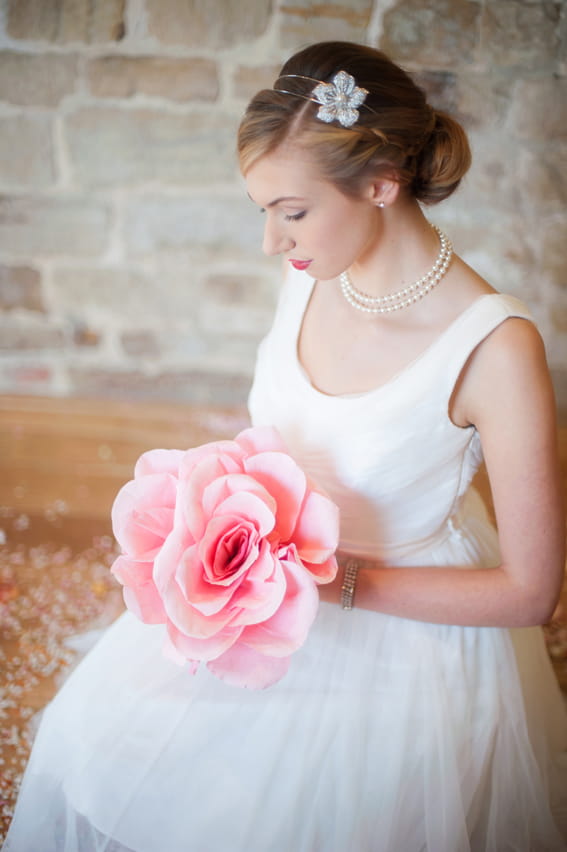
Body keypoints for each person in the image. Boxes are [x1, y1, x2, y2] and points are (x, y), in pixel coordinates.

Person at [4, 40, 567, 852]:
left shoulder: (493, 347)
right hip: (258, 592)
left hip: (400, 622)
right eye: (261, 210)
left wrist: (340, 585)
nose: (271, 242)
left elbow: (530, 594)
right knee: (90, 749)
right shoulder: (310, 267)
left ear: (381, 185)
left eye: (290, 211)